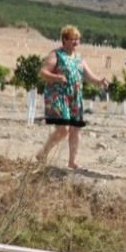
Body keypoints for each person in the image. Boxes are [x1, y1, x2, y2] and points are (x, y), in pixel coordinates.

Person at [36, 25, 109, 169]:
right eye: (72, 39)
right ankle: (43, 153)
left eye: (78, 39)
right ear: (64, 39)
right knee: (64, 129)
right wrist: (56, 77)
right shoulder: (56, 54)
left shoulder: (79, 59)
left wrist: (99, 81)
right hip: (59, 95)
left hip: (75, 97)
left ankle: (72, 161)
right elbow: (43, 72)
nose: (76, 42)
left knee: (75, 129)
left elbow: (88, 76)